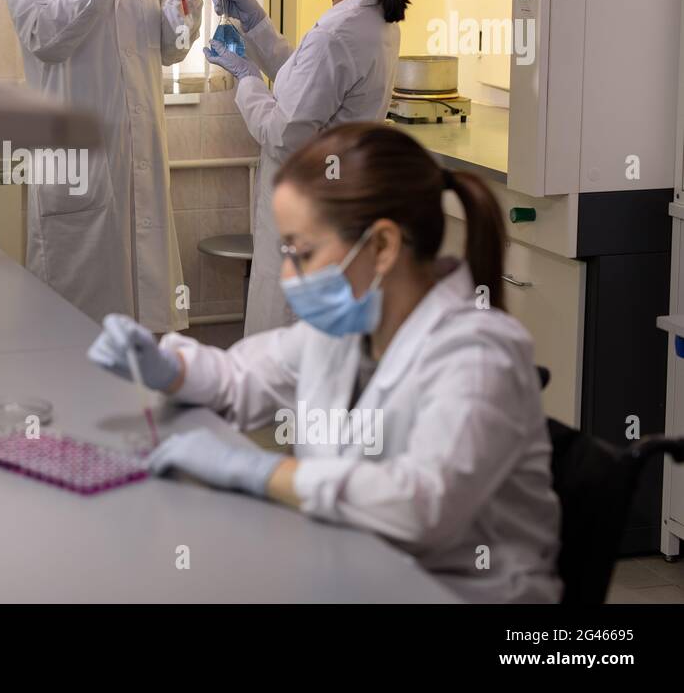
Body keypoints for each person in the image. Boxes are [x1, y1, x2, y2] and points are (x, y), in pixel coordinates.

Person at [88, 123, 562, 603]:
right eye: (286, 252)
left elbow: (421, 507)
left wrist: (256, 472)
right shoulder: (345, 331)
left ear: (381, 247)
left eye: (303, 252)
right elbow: (242, 379)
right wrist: (169, 368)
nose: (289, 274)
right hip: (349, 569)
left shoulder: (479, 355)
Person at [1, 0, 207, 333]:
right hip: (77, 176)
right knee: (73, 343)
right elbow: (48, 36)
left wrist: (187, 0)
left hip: (138, 165)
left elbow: (168, 50)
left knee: (143, 344)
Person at [209, 0, 405, 335]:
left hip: (310, 216)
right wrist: (256, 25)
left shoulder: (337, 32)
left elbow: (285, 132)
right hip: (336, 208)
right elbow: (309, 82)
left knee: (286, 351)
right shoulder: (370, 18)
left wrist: (245, 79)